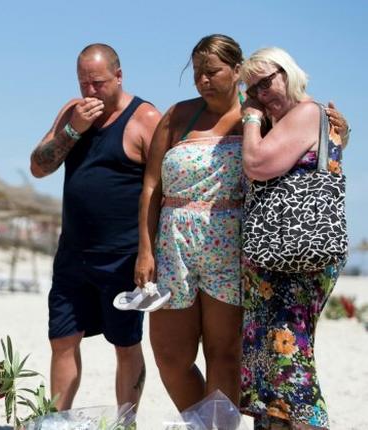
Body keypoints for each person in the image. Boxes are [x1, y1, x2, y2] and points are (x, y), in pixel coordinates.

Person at [29, 43, 161, 412]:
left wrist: (149, 252)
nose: (90, 91)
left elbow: (162, 189)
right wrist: (74, 130)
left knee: (126, 343)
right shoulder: (73, 112)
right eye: (83, 82)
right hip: (73, 252)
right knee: (62, 338)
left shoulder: (146, 117)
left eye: (98, 82)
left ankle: (125, 420)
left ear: (119, 77)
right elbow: (39, 167)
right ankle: (57, 419)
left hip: (123, 256)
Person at [135, 34, 246, 410]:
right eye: (198, 72)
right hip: (173, 245)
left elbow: (301, 146)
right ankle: (203, 422)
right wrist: (145, 250)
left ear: (237, 69)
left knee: (224, 354)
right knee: (170, 356)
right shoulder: (179, 115)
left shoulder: (257, 116)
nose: (203, 80)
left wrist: (339, 134)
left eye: (212, 71)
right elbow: (151, 186)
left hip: (230, 246)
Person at [239, 47, 347, 430]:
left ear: (289, 73)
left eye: (267, 82)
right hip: (278, 257)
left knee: (289, 358)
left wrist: (250, 118)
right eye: (252, 90)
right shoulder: (295, 121)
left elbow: (257, 165)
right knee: (273, 357)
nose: (261, 93)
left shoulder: (306, 113)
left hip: (295, 256)